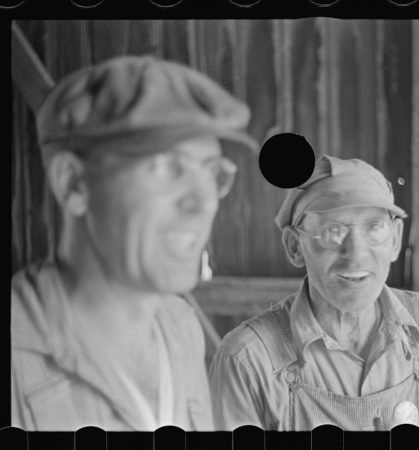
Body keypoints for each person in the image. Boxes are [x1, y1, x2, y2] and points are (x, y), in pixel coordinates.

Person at [11, 56, 254, 430]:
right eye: (165, 166)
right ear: (74, 183)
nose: (204, 202)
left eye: (211, 172)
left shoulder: (181, 328)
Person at [209, 156, 419, 431]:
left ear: (395, 240)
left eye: (374, 227)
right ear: (295, 246)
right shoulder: (247, 359)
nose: (356, 254)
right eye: (333, 231)